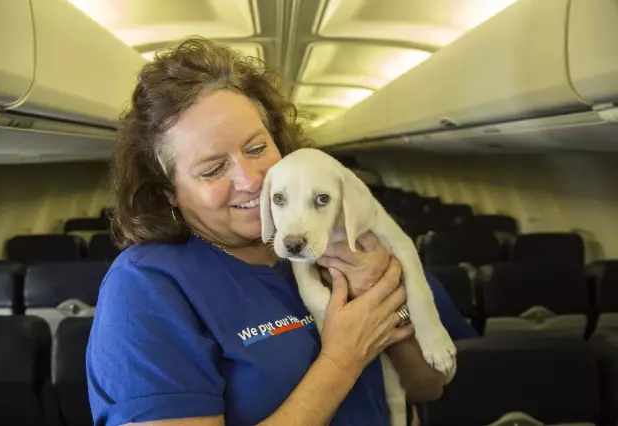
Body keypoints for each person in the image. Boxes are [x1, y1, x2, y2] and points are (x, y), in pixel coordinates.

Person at [86, 36, 467, 426]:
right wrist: (342, 359)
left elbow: (427, 387)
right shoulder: (146, 288)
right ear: (169, 193)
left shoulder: (341, 232)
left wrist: (385, 302)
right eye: (213, 169)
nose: (252, 181)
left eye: (256, 149)